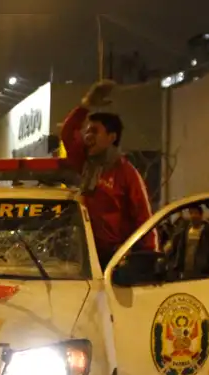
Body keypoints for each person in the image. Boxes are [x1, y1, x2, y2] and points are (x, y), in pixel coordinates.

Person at [60, 80, 157, 268]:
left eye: (94, 131)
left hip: (114, 259)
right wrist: (86, 104)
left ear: (112, 137)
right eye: (87, 131)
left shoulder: (126, 173)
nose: (88, 136)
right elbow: (67, 132)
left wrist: (148, 260)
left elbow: (143, 218)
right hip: (83, 255)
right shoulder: (84, 162)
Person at [164, 203, 209, 280]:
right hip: (186, 270)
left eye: (195, 213)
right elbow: (178, 247)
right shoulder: (185, 230)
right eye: (191, 213)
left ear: (201, 215)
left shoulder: (208, 231)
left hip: (202, 271)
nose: (193, 216)